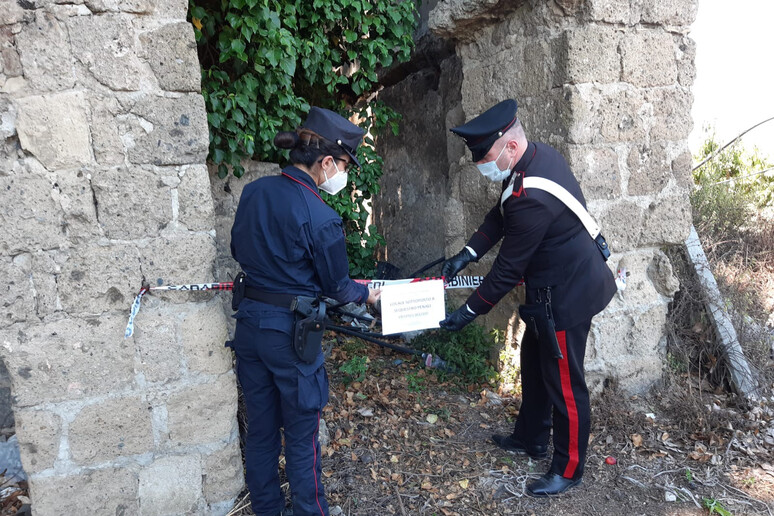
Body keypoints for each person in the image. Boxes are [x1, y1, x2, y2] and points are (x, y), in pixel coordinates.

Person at [439, 99, 616, 496]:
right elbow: (499, 215)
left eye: (484, 157)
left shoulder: (531, 195)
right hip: (547, 290)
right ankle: (531, 438)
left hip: (568, 293)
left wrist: (467, 312)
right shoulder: (531, 161)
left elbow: (506, 272)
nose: (482, 165)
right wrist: (465, 256)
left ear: (510, 148)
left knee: (565, 383)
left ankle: (568, 469)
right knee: (533, 364)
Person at [230, 107, 380, 516]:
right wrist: (370, 295)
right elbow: (340, 288)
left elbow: (238, 251)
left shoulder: (253, 193)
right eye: (345, 164)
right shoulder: (322, 217)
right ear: (327, 161)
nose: (344, 175)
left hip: (249, 329)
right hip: (291, 339)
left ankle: (266, 509)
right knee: (300, 437)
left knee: (260, 432)